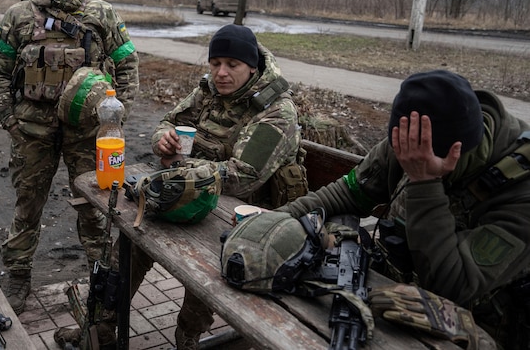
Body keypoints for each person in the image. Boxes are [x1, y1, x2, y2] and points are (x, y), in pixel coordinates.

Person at [55, 24, 308, 349]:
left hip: (246, 220)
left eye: (232, 65)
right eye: (215, 63)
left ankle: (187, 338)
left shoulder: (275, 111)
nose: (221, 73)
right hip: (195, 198)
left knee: (206, 274)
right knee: (130, 241)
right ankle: (100, 328)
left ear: (252, 67)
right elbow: (167, 123)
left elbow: (245, 177)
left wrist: (178, 171)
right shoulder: (210, 92)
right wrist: (164, 140)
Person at [277, 70, 530, 349]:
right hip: (397, 295)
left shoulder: (521, 190)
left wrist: (425, 183)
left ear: (455, 152)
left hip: (478, 328)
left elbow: (453, 283)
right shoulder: (414, 136)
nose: (405, 156)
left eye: (416, 157)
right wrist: (280, 218)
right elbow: (350, 193)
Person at [0, 0, 139, 314]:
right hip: (31, 133)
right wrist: (9, 120)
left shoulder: (102, 14)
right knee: (27, 207)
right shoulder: (19, 16)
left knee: (96, 211)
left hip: (89, 136)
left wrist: (116, 121)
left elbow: (128, 65)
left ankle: (100, 284)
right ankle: (19, 277)